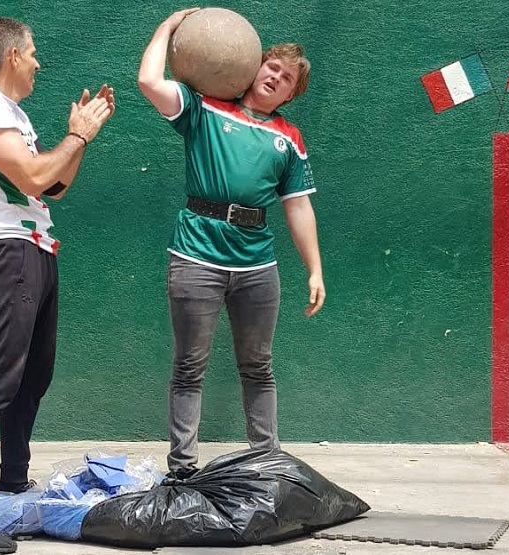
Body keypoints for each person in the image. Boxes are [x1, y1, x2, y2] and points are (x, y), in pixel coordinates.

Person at [0, 17, 114, 553]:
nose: (38, 63)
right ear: (10, 56)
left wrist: (82, 137)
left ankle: (12, 483)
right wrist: (77, 134)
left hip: (36, 247)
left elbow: (53, 185)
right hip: (4, 249)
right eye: (32, 53)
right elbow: (33, 176)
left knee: (31, 377)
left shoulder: (12, 113)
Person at [138, 9, 325, 480]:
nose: (275, 78)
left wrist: (315, 269)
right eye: (272, 68)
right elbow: (148, 81)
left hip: (258, 266)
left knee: (259, 367)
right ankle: (182, 470)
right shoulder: (202, 108)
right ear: (256, 67)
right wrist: (168, 27)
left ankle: (268, 462)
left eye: (285, 80)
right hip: (195, 257)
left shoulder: (289, 138)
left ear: (289, 94)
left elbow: (298, 207)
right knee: (189, 367)